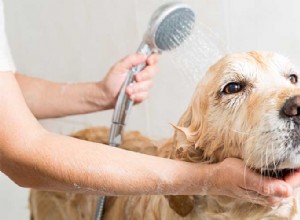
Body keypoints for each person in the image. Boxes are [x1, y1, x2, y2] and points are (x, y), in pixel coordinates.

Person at [0, 0, 298, 209]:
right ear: (195, 148)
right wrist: (205, 180)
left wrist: (98, 94)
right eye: (234, 88)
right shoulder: (194, 164)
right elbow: (20, 153)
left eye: (291, 77)